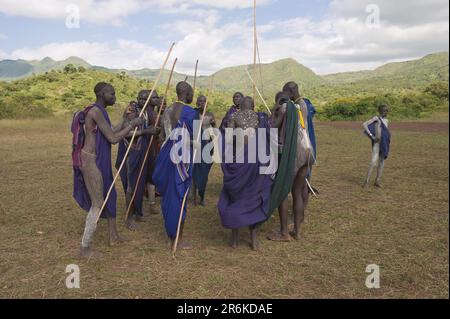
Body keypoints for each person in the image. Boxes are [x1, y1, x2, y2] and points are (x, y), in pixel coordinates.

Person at [72, 82, 142, 258]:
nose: (115, 96)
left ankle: (113, 236)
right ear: (102, 94)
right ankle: (85, 248)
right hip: (91, 162)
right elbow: (112, 138)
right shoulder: (95, 111)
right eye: (112, 93)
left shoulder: (100, 112)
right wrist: (132, 124)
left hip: (99, 161)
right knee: (97, 204)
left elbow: (109, 130)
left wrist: (126, 122)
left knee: (111, 195)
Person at [218, 96, 273, 250]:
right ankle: (253, 238)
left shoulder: (234, 116)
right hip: (256, 163)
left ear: (240, 105)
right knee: (254, 196)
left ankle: (234, 238)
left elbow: (228, 140)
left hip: (238, 161)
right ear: (253, 106)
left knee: (235, 197)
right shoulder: (260, 117)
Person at [153, 82, 198, 250]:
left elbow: (163, 136)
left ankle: (169, 236)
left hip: (166, 154)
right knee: (180, 195)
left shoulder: (167, 110)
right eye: (192, 92)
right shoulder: (191, 112)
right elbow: (194, 137)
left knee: (168, 196)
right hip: (182, 157)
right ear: (186, 93)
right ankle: (178, 239)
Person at [115, 100, 160, 231]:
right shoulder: (130, 111)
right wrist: (145, 132)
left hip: (141, 155)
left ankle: (138, 213)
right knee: (131, 188)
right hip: (131, 157)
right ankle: (129, 218)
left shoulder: (142, 113)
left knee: (140, 186)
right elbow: (126, 132)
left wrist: (151, 131)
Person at [192, 95, 216, 206]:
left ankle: (202, 196)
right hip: (195, 146)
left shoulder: (210, 115)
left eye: (204, 101)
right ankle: (193, 197)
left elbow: (214, 131)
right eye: (200, 101)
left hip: (207, 145)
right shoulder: (193, 114)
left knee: (204, 174)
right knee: (194, 172)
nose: (202, 103)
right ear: (196, 103)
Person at [362, 104, 391, 189]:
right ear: (380, 111)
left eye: (387, 110)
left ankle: (377, 181)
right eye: (384, 110)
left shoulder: (387, 120)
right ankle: (366, 182)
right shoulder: (376, 118)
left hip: (384, 143)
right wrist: (371, 136)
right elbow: (364, 124)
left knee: (382, 161)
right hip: (377, 143)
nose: (386, 112)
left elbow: (385, 132)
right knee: (373, 162)